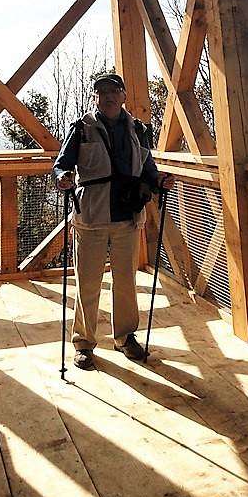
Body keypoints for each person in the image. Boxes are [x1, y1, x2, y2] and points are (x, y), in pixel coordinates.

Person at [52, 72, 173, 370]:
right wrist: (62, 178)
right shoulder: (81, 129)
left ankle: (125, 337)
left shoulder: (139, 130)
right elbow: (61, 165)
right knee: (88, 282)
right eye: (101, 92)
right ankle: (83, 343)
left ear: (122, 96)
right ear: (95, 97)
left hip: (128, 217)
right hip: (91, 217)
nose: (107, 96)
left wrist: (159, 180)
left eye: (113, 91)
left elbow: (148, 169)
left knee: (126, 282)